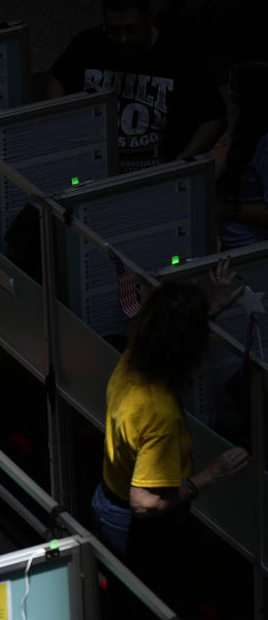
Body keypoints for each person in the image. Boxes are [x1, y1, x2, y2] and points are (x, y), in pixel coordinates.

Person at [90, 260, 248, 616]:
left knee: (122, 599)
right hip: (140, 527)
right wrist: (211, 474)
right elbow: (144, 504)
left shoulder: (133, 358)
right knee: (151, 605)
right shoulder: (157, 411)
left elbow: (166, 332)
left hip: (106, 499)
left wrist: (212, 307)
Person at [47, 0, 227, 173]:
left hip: (158, 170)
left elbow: (215, 119)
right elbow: (57, 77)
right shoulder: (89, 44)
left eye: (132, 30)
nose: (123, 39)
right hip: (97, 167)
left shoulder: (180, 55)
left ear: (149, 20)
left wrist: (178, 167)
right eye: (114, 31)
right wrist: (64, 132)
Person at [217, 62, 268, 248]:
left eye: (233, 87)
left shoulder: (265, 144)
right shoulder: (248, 134)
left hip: (253, 254)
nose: (229, 93)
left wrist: (228, 210)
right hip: (235, 248)